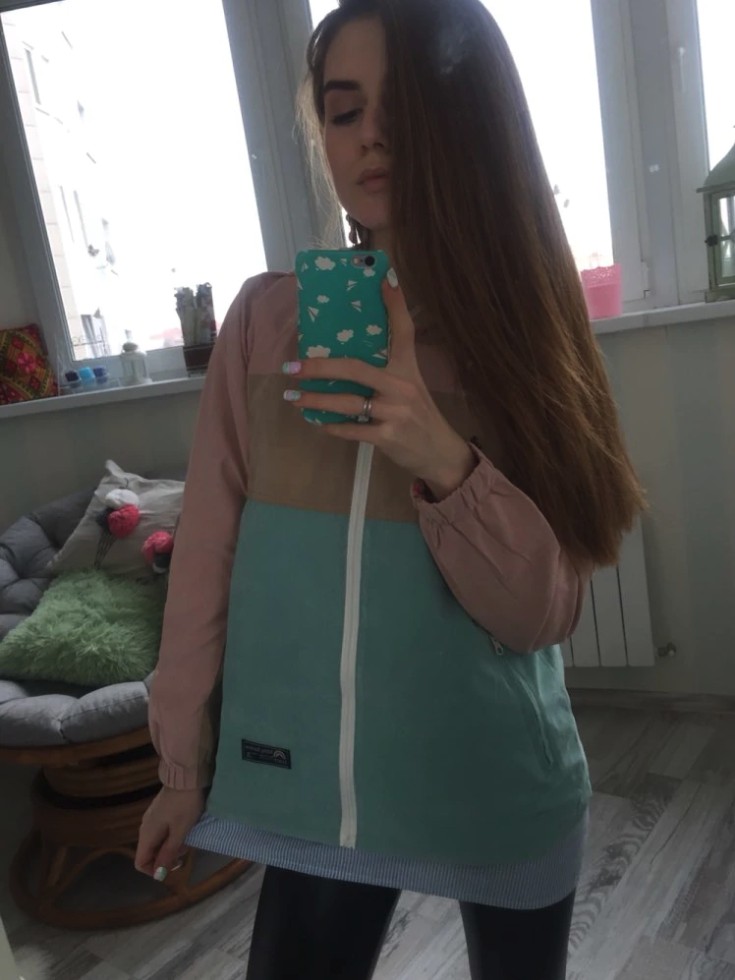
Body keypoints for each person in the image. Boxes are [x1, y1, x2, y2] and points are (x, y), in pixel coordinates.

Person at [134, 1, 647, 977]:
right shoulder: (264, 327)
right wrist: (181, 767)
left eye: (405, 105)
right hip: (314, 795)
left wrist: (440, 455)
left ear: (471, 118)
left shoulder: (524, 333)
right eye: (343, 110)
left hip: (495, 781)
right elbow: (205, 556)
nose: (370, 135)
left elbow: (542, 611)